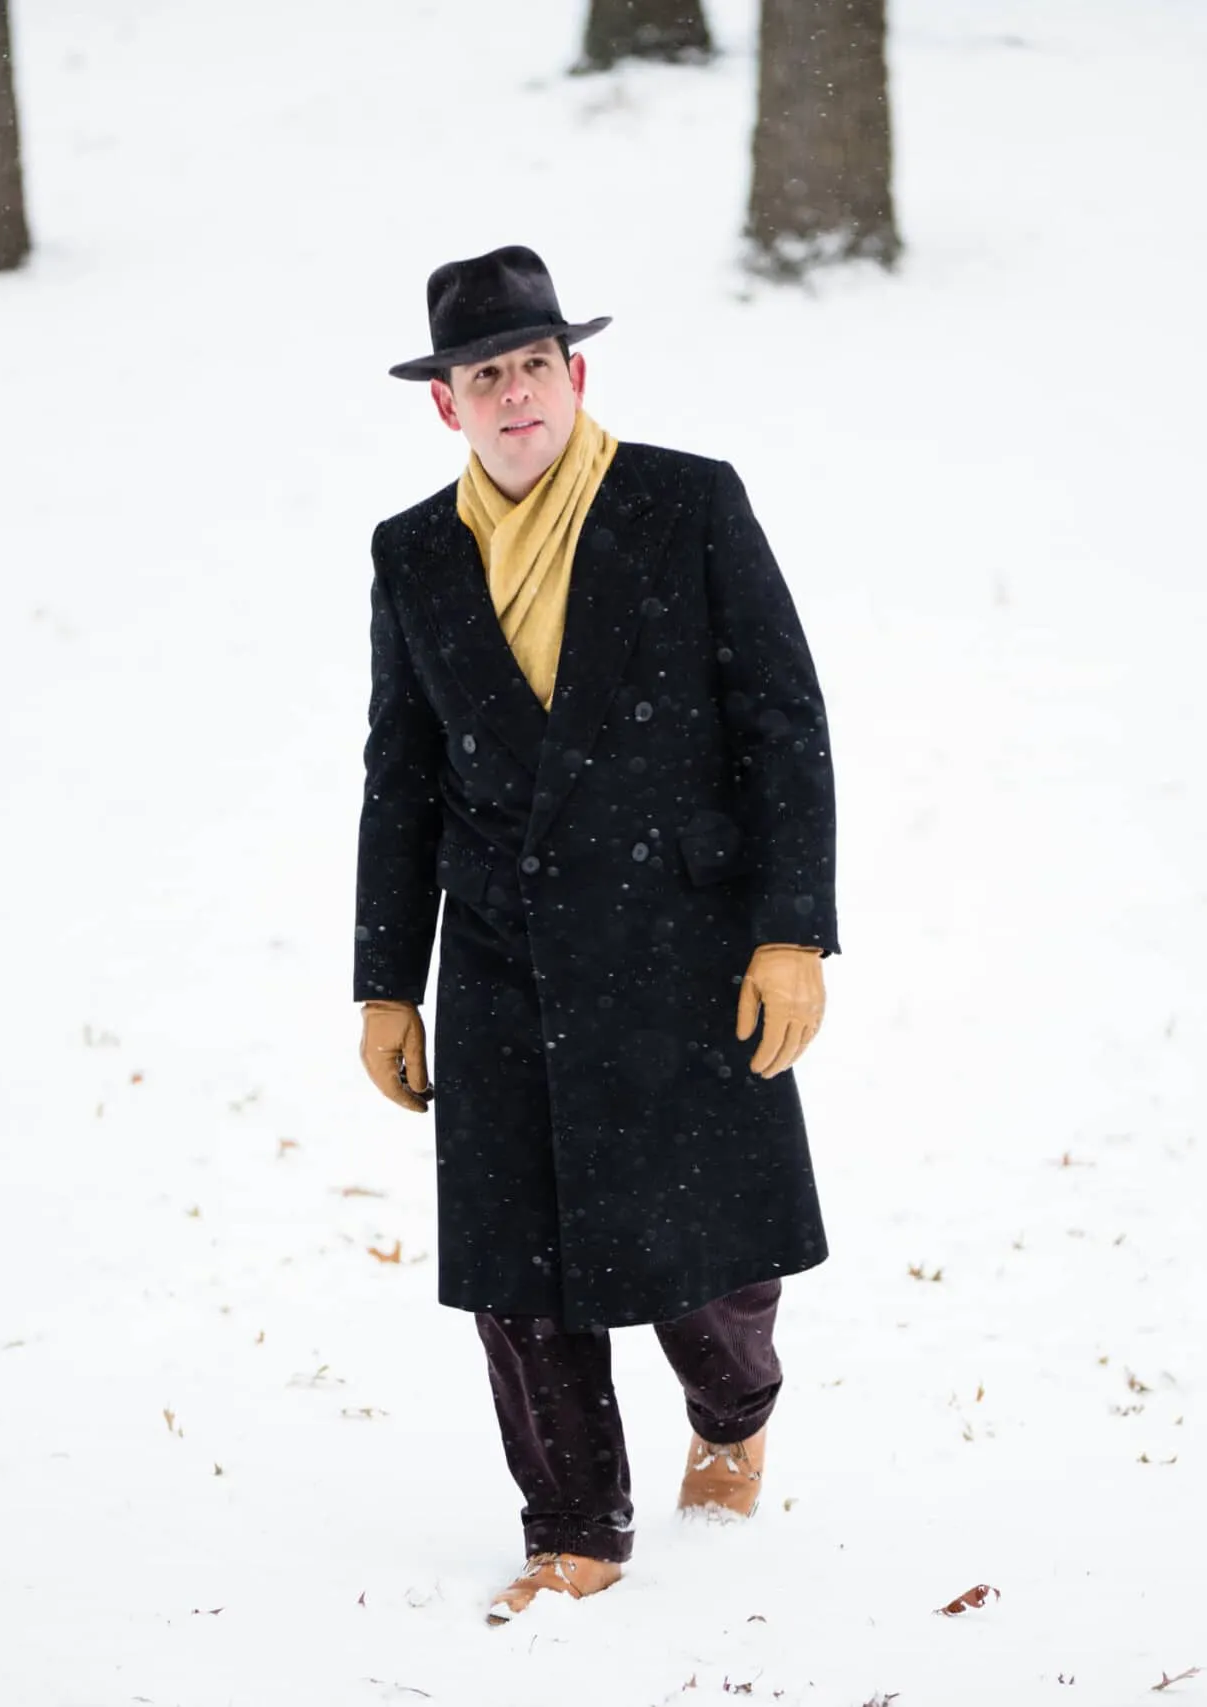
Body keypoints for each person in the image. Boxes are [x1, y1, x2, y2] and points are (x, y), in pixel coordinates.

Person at [354, 246, 840, 1625]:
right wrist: (388, 980)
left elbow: (781, 723)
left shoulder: (686, 504)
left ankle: (736, 1409)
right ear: (444, 404)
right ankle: (573, 1525)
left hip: (681, 942)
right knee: (520, 1267)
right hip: (502, 953)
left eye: (531, 364)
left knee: (709, 1263)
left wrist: (789, 930)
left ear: (576, 373)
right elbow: (401, 772)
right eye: (480, 373)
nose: (512, 392)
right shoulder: (411, 554)